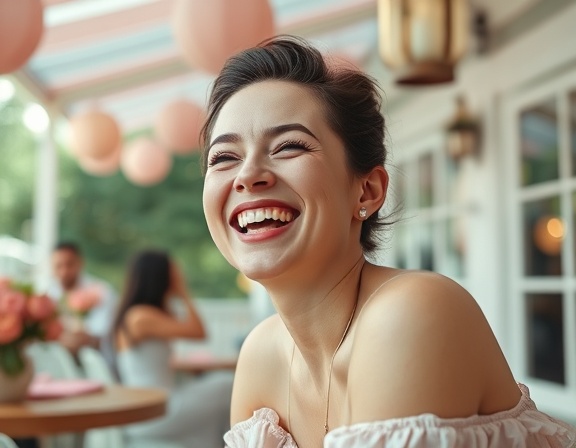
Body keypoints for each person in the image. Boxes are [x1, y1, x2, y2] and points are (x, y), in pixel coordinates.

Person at [200, 36, 576, 448]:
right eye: (224, 157)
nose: (248, 174)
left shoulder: (411, 311)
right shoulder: (261, 354)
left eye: (289, 146)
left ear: (367, 191)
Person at [113, 250, 233, 448]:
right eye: (174, 273)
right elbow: (199, 332)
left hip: (154, 406)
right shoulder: (141, 316)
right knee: (228, 384)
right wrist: (183, 292)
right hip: (153, 411)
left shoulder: (138, 314)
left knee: (221, 389)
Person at [47, 241, 118, 356]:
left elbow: (105, 333)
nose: (64, 272)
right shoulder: (49, 294)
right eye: (58, 266)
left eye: (69, 264)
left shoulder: (102, 292)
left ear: (80, 263)